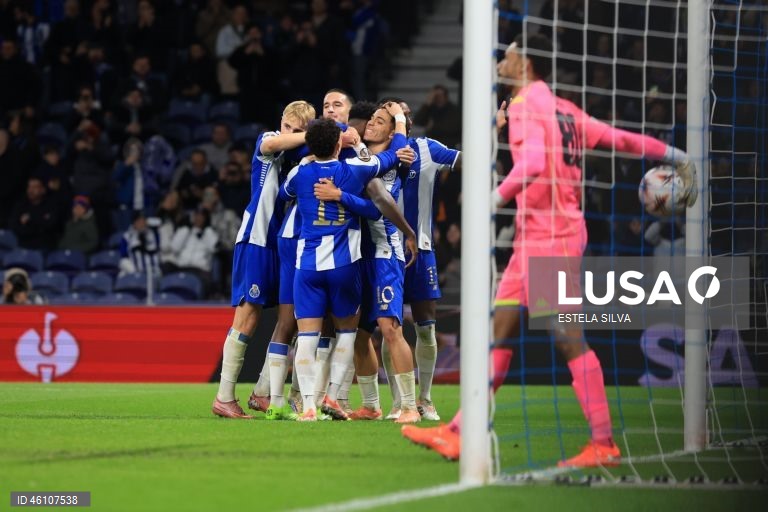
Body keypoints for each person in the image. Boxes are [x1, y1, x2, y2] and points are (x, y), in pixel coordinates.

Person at [401, 33, 696, 466]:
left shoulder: (525, 105)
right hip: (537, 238)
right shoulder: (563, 109)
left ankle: (603, 442)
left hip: (551, 239)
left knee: (566, 337)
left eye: (509, 55)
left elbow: (534, 163)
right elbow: (620, 139)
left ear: (526, 63)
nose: (501, 61)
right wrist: (675, 154)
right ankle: (459, 431)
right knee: (498, 332)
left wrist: (492, 200)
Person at [278, 107, 408, 421]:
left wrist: (309, 163)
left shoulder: (299, 174)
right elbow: (388, 163)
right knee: (347, 333)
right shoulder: (354, 171)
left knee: (306, 338)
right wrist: (388, 131)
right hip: (344, 266)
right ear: (339, 144)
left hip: (307, 267)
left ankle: (309, 406)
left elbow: (284, 194)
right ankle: (333, 396)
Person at [313, 102, 420, 423]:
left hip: (385, 253)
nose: (371, 124)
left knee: (390, 328)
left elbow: (377, 206)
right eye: (371, 119)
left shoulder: (393, 162)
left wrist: (340, 196)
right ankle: (372, 405)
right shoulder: (358, 158)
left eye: (379, 121)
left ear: (391, 133)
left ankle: (410, 406)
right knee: (359, 334)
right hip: (359, 255)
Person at [211, 100, 316, 419]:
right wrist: (311, 135)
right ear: (281, 123)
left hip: (283, 243)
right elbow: (272, 144)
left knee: (289, 319)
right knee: (248, 315)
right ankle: (224, 397)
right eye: (288, 126)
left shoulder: (303, 156)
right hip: (256, 238)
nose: (290, 133)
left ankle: (261, 392)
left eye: (298, 129)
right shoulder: (269, 140)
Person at [380, 97, 462, 422]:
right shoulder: (373, 157)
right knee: (390, 328)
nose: (405, 119)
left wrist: (494, 132)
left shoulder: (428, 148)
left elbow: (465, 161)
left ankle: (425, 399)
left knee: (426, 328)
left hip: (422, 251)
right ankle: (398, 402)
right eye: (396, 115)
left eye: (405, 114)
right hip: (385, 251)